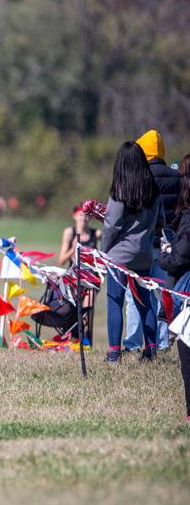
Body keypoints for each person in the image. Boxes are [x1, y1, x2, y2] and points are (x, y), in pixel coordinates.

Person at [101, 141, 163, 362]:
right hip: (144, 254)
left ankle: (114, 351)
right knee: (144, 302)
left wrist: (103, 251)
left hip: (119, 256)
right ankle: (151, 349)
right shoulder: (153, 191)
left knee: (115, 302)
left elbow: (112, 226)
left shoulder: (119, 190)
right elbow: (160, 221)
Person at [123, 129, 180, 353]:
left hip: (142, 246)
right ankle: (163, 343)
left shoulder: (139, 178)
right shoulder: (177, 178)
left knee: (135, 294)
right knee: (164, 294)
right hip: (169, 246)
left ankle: (133, 343)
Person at [159, 172, 190, 420]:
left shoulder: (188, 221)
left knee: (185, 347)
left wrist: (166, 254)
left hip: (185, 290)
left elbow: (179, 259)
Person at [59, 204, 102, 343]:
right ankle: (72, 338)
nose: (83, 219)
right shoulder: (69, 233)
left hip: (90, 279)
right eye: (80, 215)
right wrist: (74, 248)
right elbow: (61, 260)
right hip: (73, 278)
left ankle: (86, 340)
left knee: (87, 309)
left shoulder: (96, 234)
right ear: (75, 216)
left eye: (86, 216)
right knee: (72, 310)